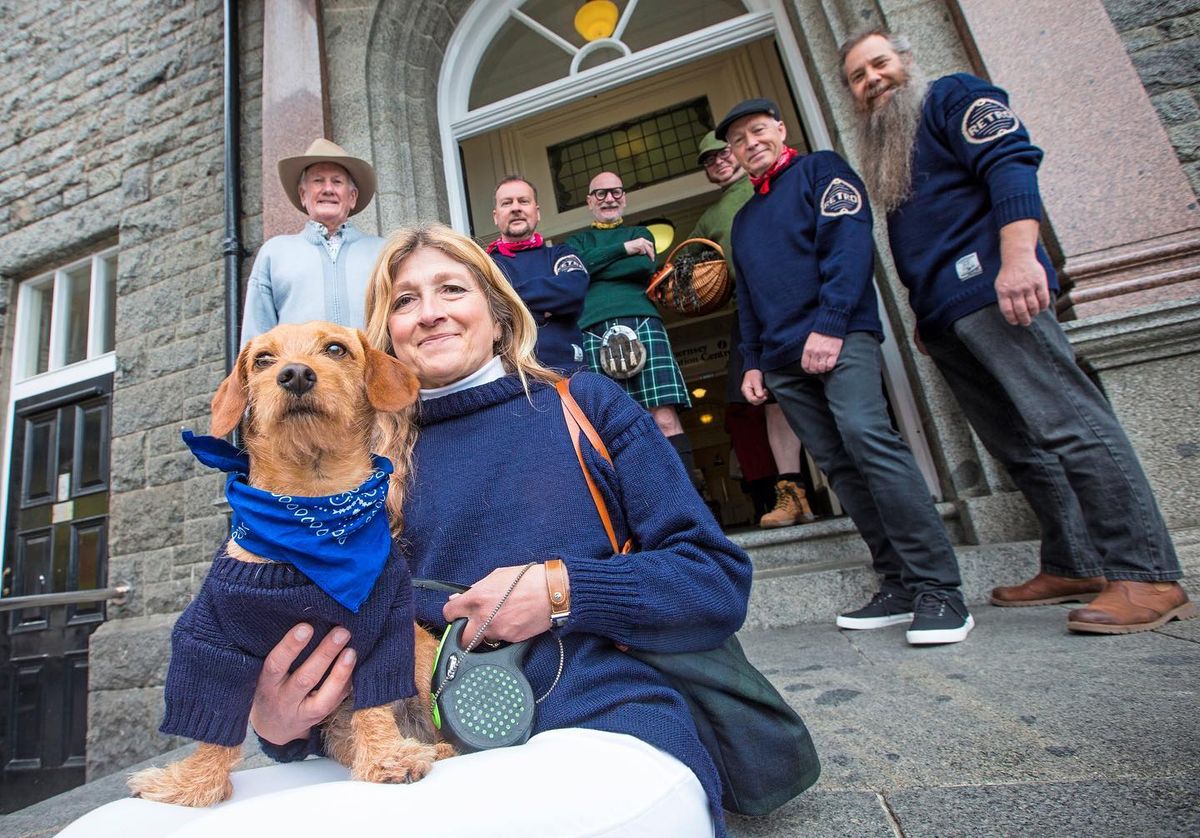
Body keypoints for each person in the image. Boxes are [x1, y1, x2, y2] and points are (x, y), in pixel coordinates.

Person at [60, 225, 753, 838]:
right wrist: (279, 725)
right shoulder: (324, 468)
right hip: (401, 745)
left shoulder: (584, 405)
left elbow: (714, 580)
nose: (429, 313)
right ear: (380, 337)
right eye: (403, 300)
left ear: (498, 308)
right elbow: (263, 632)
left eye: (451, 288)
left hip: (595, 718)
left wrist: (563, 589)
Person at [839, 29, 1195, 634]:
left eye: (880, 64)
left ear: (906, 61)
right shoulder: (890, 144)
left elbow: (1010, 163)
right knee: (1018, 446)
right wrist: (927, 314)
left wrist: (1020, 256)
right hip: (947, 316)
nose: (872, 80)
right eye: (858, 76)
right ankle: (1073, 562)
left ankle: (1146, 572)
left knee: (1070, 423)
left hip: (997, 288)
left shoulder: (953, 96)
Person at [719, 98, 970, 645]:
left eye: (759, 130)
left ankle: (941, 589)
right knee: (838, 465)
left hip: (839, 338)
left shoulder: (821, 170)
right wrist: (754, 362)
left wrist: (831, 324)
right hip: (784, 361)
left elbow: (850, 245)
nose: (750, 143)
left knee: (868, 440)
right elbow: (750, 301)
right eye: (739, 140)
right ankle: (898, 582)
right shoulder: (744, 218)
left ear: (780, 130)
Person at [691, 130, 815, 528]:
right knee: (769, 400)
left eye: (724, 152)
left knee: (825, 391)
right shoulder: (710, 217)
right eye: (709, 160)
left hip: (800, 300)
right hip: (749, 312)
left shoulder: (774, 184)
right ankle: (794, 492)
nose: (720, 162)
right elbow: (685, 264)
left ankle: (855, 485)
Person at [565, 172, 697, 478]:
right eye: (600, 194)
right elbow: (577, 268)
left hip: (643, 322)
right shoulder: (577, 242)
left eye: (615, 192)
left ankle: (689, 505)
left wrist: (599, 265)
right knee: (610, 427)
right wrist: (624, 249)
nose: (609, 199)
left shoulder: (642, 232)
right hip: (592, 331)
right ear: (589, 201)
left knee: (663, 419)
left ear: (624, 197)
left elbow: (643, 265)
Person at [240, 138, 384, 345]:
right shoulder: (274, 253)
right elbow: (255, 337)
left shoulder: (383, 251)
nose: (327, 189)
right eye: (318, 181)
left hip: (371, 375)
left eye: (337, 181)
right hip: (301, 375)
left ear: (352, 197)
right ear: (303, 195)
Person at [486, 175, 589, 373]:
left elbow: (574, 290)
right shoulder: (485, 266)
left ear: (537, 212)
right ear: (495, 216)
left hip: (568, 370)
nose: (516, 208)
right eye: (507, 203)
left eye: (523, 201)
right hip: (510, 374)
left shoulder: (561, 254)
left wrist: (511, 301)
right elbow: (486, 309)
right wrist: (549, 305)